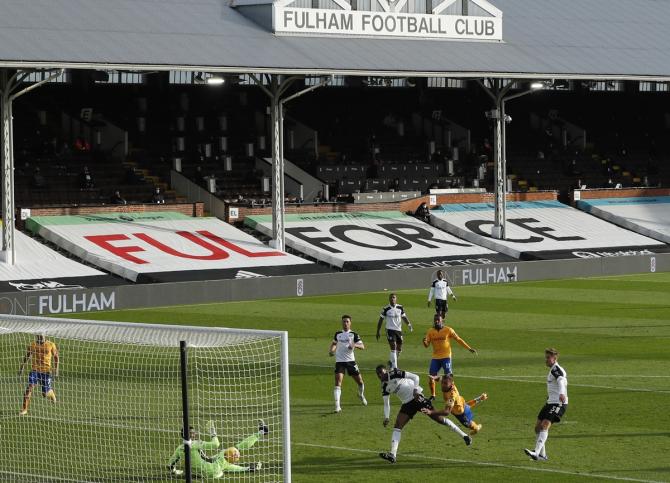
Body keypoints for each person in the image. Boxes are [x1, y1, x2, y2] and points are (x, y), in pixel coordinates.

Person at [376, 365, 471, 464]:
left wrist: (416, 391)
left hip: (417, 399)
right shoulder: (384, 387)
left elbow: (416, 377)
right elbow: (386, 403)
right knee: (397, 426)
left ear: (386, 371)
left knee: (439, 419)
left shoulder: (395, 373)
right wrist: (386, 417)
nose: (380, 375)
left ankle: (464, 436)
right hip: (407, 403)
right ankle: (392, 454)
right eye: (378, 374)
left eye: (381, 373)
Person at [168, 420, 267, 477]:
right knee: (233, 450)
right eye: (192, 433)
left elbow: (170, 465)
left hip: (201, 473)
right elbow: (216, 444)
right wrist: (212, 432)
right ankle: (261, 432)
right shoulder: (196, 443)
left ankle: (248, 468)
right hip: (212, 470)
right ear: (189, 435)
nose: (195, 434)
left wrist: (175, 471)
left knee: (223, 461)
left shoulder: (179, 448)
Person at [524, 348, 568, 461]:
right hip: (550, 402)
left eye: (548, 358)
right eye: (546, 357)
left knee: (544, 425)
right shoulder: (552, 369)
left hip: (558, 403)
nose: (546, 360)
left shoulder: (556, 370)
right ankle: (542, 455)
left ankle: (537, 453)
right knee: (537, 428)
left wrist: (562, 393)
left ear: (554, 358)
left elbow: (561, 381)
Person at [422, 314, 477, 400]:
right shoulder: (430, 331)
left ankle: (453, 393)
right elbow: (426, 345)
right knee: (431, 377)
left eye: (438, 320)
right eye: (435, 320)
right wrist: (424, 342)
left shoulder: (448, 330)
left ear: (442, 321)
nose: (436, 321)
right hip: (435, 358)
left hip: (446, 357)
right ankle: (433, 395)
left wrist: (469, 348)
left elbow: (458, 339)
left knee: (449, 377)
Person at [329, 314, 367, 413]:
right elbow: (334, 343)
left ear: (350, 323)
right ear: (342, 323)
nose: (345, 323)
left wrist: (353, 345)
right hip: (339, 362)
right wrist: (331, 351)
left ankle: (361, 395)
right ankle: (337, 406)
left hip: (350, 362)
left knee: (360, 382)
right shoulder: (338, 334)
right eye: (344, 321)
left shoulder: (354, 334)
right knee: (338, 383)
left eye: (347, 321)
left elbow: (362, 346)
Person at [18, 333, 59, 415]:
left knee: (45, 394)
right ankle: (24, 409)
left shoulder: (51, 345)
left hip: (46, 371)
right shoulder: (33, 345)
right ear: (36, 335)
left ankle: (51, 393)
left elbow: (56, 357)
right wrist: (22, 367)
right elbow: (27, 356)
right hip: (35, 370)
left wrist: (56, 369)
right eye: (38, 334)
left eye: (42, 334)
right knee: (29, 388)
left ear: (45, 334)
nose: (40, 336)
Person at [376, 293, 413, 369]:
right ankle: (395, 367)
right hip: (389, 330)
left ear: (396, 299)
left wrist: (409, 325)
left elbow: (404, 317)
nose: (392, 299)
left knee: (399, 349)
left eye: (394, 297)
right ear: (389, 299)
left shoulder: (400, 307)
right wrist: (378, 331)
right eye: (391, 298)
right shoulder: (386, 309)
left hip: (398, 330)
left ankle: (391, 361)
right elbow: (381, 320)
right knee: (393, 347)